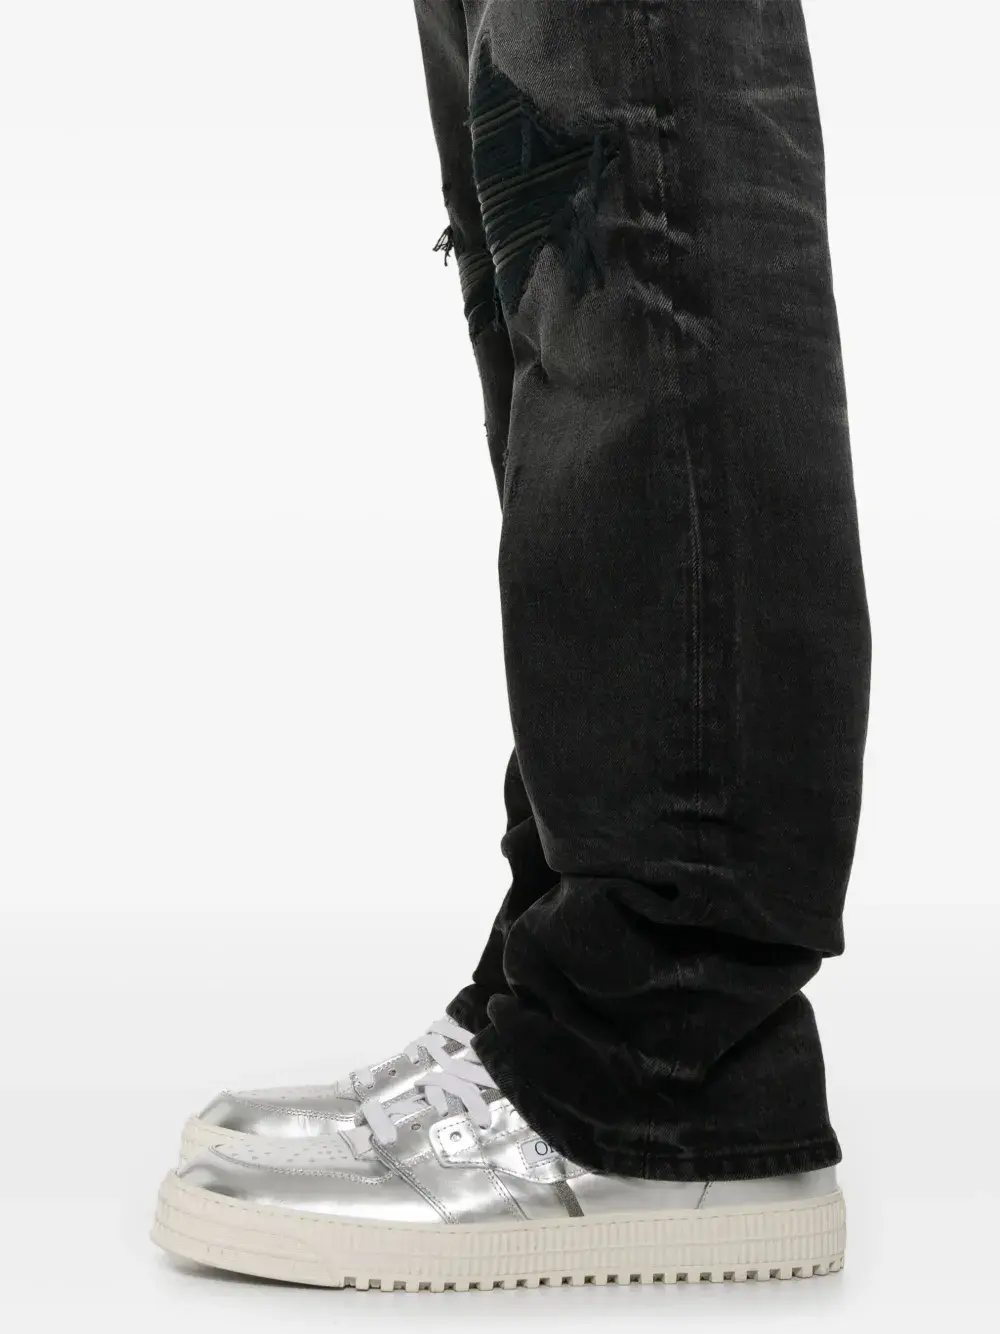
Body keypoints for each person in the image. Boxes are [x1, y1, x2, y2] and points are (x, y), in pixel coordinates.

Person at [152, 0, 870, 1291]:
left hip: (664, 1048)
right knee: (548, 188)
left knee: (642, 117)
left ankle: (664, 1053)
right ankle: (578, 965)